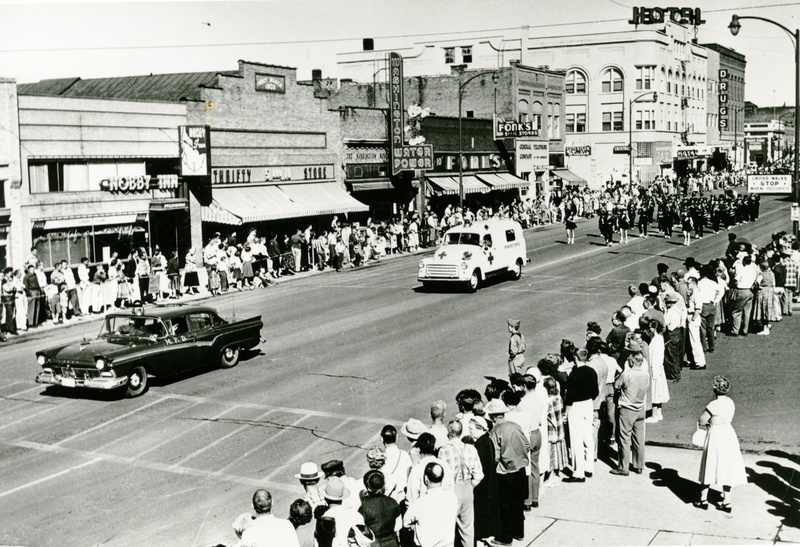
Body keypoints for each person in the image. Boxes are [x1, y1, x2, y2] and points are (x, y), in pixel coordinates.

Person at [695, 376, 748, 512]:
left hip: (715, 435)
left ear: (714, 388)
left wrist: (709, 422)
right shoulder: (730, 402)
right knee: (727, 466)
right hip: (728, 434)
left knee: (709, 464)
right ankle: (727, 500)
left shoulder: (713, 405)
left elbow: (702, 420)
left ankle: (703, 499)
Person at [486, 398, 529, 546]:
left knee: (504, 506)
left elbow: (496, 456)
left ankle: (505, 538)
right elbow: (527, 444)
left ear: (493, 416)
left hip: (505, 473)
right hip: (521, 469)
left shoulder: (495, 431)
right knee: (518, 503)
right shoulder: (515, 426)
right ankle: (519, 532)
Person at [437, 420, 483, 547]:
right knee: (467, 528)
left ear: (448, 432)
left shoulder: (443, 451)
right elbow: (479, 475)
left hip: (451, 490)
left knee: (448, 528)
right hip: (467, 488)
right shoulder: (471, 448)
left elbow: (441, 475)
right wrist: (469, 486)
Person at [611, 349, 650, 476]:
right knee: (639, 438)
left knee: (624, 438)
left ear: (632, 361)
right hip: (640, 408)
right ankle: (639, 465)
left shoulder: (627, 374)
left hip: (627, 409)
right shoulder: (646, 374)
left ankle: (623, 466)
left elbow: (616, 385)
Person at [563, 349, 599, 483]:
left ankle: (579, 472)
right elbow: (595, 391)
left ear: (575, 358)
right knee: (588, 436)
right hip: (588, 404)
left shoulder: (574, 374)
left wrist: (566, 412)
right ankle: (589, 468)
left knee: (576, 439)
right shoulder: (591, 371)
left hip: (576, 407)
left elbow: (570, 396)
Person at [403, 462, 458, 547]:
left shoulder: (418, 504)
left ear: (425, 478)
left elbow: (406, 523)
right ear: (442, 478)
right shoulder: (453, 498)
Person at [469, 415, 500, 545]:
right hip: (489, 483)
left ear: (479, 428)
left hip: (483, 486)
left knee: (481, 513)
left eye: (471, 429)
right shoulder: (486, 441)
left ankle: (481, 536)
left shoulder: (480, 446)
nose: (469, 431)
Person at [358, 470, 400, 547]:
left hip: (375, 543)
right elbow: (397, 516)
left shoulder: (364, 507)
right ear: (383, 485)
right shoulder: (392, 501)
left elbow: (361, 525)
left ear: (368, 489)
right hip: (392, 540)